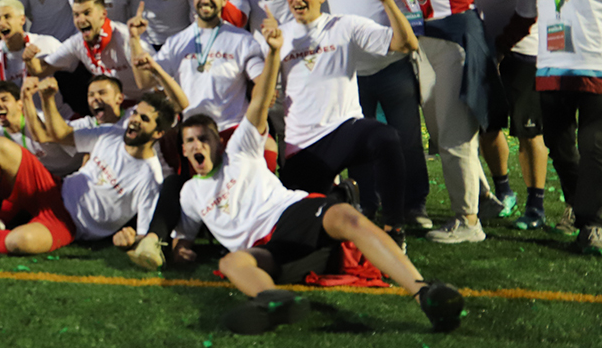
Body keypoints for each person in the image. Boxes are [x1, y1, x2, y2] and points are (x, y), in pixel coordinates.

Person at [162, 24, 465, 335]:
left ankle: (424, 293)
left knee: (346, 215)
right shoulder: (189, 194)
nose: (197, 145)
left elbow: (259, 102)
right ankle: (274, 300)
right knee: (231, 264)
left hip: (290, 214)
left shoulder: (239, 150)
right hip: (265, 250)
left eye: (203, 138)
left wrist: (275, 52)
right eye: (190, 141)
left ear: (218, 141)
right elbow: (182, 237)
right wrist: (180, 249)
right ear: (183, 150)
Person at [398, 0, 523, 243]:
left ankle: (468, 221)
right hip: (424, 46)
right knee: (440, 134)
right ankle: (482, 197)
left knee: (454, 135)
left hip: (455, 42)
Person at [301, 0, 432, 227]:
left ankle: (414, 205)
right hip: (350, 73)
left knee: (406, 140)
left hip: (394, 68)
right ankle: (367, 204)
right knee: (359, 144)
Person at [0, 91, 171, 255]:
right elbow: (61, 136)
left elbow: (144, 237)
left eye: (144, 119)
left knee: (21, 242)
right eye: (135, 113)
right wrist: (47, 97)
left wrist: (129, 240)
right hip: (52, 188)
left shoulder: (151, 176)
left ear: (158, 134)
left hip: (68, 225)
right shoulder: (111, 133)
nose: (134, 120)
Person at [274, 0, 418, 247]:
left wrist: (386, 0)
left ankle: (393, 230)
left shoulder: (344, 25)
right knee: (302, 233)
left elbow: (405, 43)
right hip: (301, 145)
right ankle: (342, 196)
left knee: (385, 136)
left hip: (344, 129)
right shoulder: (278, 36)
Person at [449, 0, 559, 229]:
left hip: (527, 51)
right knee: (488, 126)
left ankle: (536, 206)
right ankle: (503, 194)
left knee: (529, 131)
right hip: (483, 47)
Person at [502, 0, 602, 254]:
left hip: (598, 69)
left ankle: (593, 224)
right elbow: (524, 17)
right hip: (552, 72)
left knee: (594, 148)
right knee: (561, 152)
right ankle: (579, 208)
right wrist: (499, 49)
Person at [146, 0, 265, 137]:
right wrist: (134, 40)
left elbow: (262, 82)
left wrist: (254, 121)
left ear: (224, 0)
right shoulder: (176, 42)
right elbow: (148, 82)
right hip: (192, 133)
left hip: (232, 130)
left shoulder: (242, 39)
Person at [25, 0, 141, 101]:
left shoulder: (125, 37)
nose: (81, 20)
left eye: (87, 13)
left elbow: (149, 81)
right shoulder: (77, 42)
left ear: (103, 14)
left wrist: (135, 41)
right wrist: (29, 59)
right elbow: (42, 69)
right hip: (116, 103)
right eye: (76, 15)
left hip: (145, 98)